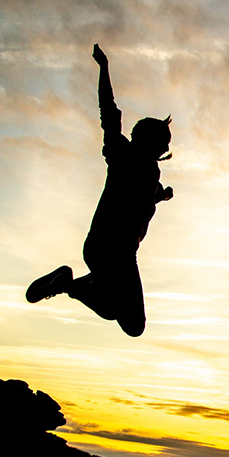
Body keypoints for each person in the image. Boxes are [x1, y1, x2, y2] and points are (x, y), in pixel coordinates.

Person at [26, 44, 174, 338]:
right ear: (150, 141)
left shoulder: (146, 171)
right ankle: (68, 284)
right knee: (129, 321)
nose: (168, 148)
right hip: (113, 251)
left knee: (126, 319)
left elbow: (136, 200)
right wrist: (104, 68)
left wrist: (160, 196)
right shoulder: (122, 153)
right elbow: (108, 110)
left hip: (107, 250)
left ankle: (68, 283)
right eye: (165, 141)